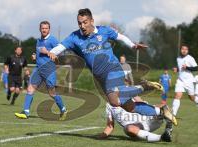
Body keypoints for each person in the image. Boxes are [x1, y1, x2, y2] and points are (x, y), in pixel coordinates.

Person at [41, 9, 173, 123]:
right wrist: (52, 52)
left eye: (85, 22)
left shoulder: (104, 31)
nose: (82, 26)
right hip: (100, 77)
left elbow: (120, 37)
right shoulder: (74, 37)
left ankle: (144, 86)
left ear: (91, 21)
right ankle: (161, 111)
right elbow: (60, 47)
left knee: (114, 101)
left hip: (113, 69)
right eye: (79, 23)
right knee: (128, 106)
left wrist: (133, 45)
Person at [15, 21, 67, 119]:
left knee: (52, 93)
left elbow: (60, 56)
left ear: (49, 29)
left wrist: (47, 52)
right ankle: (25, 112)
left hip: (49, 70)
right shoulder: (38, 40)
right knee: (30, 89)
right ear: (40, 29)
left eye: (46, 28)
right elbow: (39, 54)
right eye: (42, 28)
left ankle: (63, 109)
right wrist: (35, 57)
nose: (44, 30)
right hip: (38, 69)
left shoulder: (53, 40)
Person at [166, 45, 198, 135]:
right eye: (182, 49)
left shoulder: (190, 58)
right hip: (180, 80)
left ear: (187, 51)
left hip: (189, 81)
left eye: (185, 49)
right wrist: (177, 69)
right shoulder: (178, 58)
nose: (184, 50)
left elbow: (196, 68)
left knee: (191, 97)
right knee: (177, 96)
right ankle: (173, 115)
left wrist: (187, 67)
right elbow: (180, 68)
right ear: (180, 50)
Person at [99, 101, 174, 142]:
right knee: (128, 128)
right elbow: (110, 126)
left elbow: (141, 101)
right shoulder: (109, 105)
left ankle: (169, 128)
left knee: (164, 107)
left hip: (150, 120)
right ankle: (162, 138)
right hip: (134, 127)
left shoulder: (127, 95)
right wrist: (100, 137)